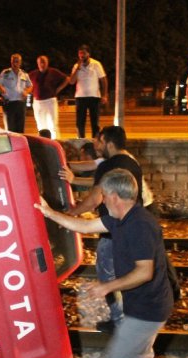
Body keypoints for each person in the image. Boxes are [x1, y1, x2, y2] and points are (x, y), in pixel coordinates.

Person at [35, 168, 188, 358]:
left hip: (149, 308)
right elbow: (83, 226)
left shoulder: (139, 225)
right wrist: (48, 212)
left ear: (115, 196)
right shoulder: (119, 218)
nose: (101, 199)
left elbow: (144, 272)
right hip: (143, 304)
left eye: (103, 194)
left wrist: (108, 287)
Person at [61, 126, 144, 334]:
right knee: (126, 275)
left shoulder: (110, 165)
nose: (95, 146)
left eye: (98, 142)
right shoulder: (130, 161)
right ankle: (129, 320)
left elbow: (94, 199)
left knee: (108, 277)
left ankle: (120, 322)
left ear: (107, 142)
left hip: (112, 232)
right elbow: (93, 176)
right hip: (132, 229)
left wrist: (71, 214)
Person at [69, 45, 108, 138]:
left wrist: (105, 95)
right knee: (80, 122)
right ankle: (81, 139)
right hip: (80, 97)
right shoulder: (76, 66)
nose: (82, 56)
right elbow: (71, 81)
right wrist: (77, 69)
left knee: (95, 122)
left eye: (84, 53)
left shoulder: (96, 64)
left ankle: (95, 140)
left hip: (94, 97)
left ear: (88, 54)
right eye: (80, 54)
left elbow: (103, 80)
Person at [29, 55, 70, 139]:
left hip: (50, 101)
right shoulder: (33, 74)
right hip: (37, 102)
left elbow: (67, 79)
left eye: (44, 62)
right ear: (37, 64)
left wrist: (58, 89)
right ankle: (43, 142)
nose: (42, 64)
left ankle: (55, 142)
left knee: (52, 124)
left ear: (47, 63)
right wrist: (29, 91)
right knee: (40, 124)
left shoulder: (53, 72)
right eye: (40, 62)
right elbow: (25, 83)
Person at [0, 53, 33, 133]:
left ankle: (20, 145)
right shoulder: (5, 73)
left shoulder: (24, 74)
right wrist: (1, 87)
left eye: (17, 61)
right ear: (11, 62)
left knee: (20, 129)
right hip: (9, 104)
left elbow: (30, 86)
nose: (15, 63)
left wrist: (26, 91)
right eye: (13, 62)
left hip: (21, 104)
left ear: (20, 62)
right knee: (10, 129)